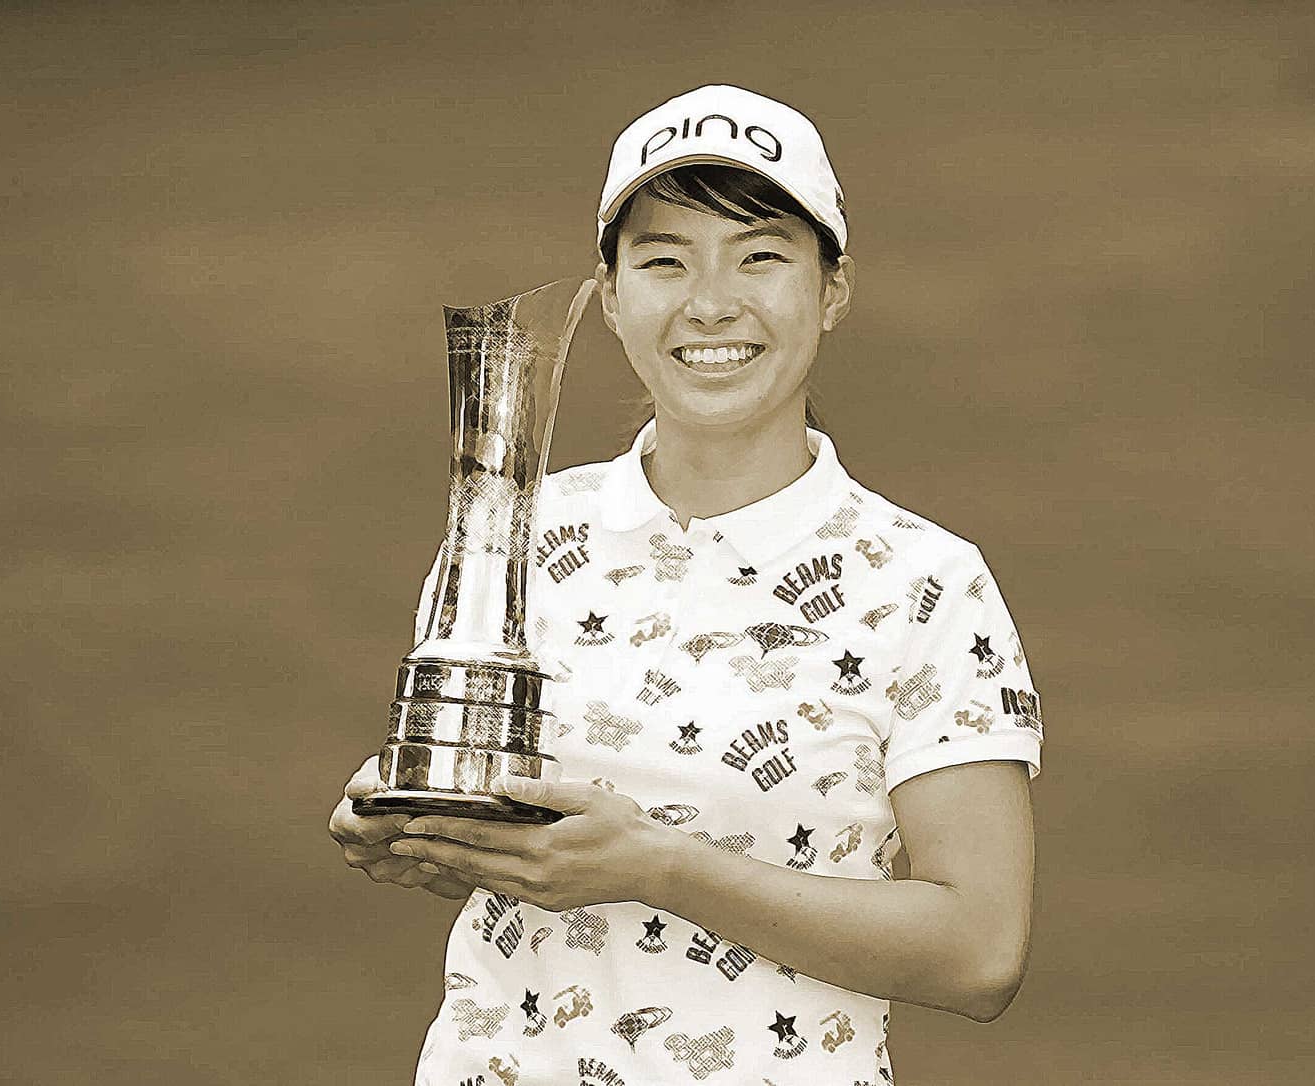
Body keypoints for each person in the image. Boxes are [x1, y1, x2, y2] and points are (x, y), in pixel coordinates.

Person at [329, 84, 1044, 1086]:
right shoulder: (511, 534)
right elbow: (503, 839)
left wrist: (664, 868)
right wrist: (413, 830)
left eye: (759, 257)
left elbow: (980, 953)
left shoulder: (925, 583)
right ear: (610, 295)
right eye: (664, 261)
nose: (709, 303)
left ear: (832, 290)